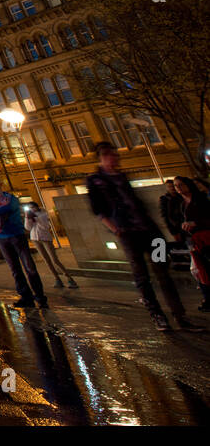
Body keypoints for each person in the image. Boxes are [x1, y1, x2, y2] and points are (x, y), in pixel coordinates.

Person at [86, 142, 198, 332]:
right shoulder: (96, 180)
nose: (115, 159)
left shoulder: (121, 177)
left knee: (163, 271)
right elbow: (98, 209)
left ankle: (180, 316)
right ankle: (157, 315)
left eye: (115, 155)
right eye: (110, 155)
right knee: (142, 276)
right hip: (128, 233)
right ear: (102, 157)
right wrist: (116, 229)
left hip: (150, 231)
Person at [0, 175, 47, 309]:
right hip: (1, 237)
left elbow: (9, 208)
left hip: (16, 234)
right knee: (15, 269)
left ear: (0, 185)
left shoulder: (9, 198)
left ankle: (40, 296)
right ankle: (25, 296)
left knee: (29, 267)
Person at [175, 176, 210, 312]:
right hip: (194, 240)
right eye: (177, 186)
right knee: (200, 270)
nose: (179, 188)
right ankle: (207, 297)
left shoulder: (201, 199)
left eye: (181, 185)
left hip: (206, 237)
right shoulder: (181, 204)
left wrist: (196, 223)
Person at [24, 200, 78, 289]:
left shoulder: (43, 214)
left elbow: (46, 227)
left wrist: (36, 218)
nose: (32, 209)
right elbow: (28, 228)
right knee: (46, 260)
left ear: (37, 207)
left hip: (46, 239)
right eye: (30, 208)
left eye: (33, 207)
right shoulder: (29, 216)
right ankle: (57, 279)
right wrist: (27, 218)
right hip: (35, 239)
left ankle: (70, 278)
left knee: (54, 260)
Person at [159, 179, 186, 246]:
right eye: (169, 186)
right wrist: (170, 226)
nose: (172, 188)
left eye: (173, 186)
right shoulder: (164, 199)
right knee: (181, 243)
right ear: (167, 188)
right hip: (174, 225)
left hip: (184, 222)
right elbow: (164, 214)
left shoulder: (181, 196)